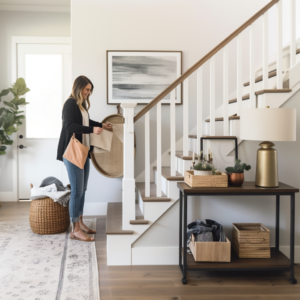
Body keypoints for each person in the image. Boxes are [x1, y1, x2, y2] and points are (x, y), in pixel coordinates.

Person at [57, 75, 112, 242]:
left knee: (83, 190)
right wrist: (91, 130)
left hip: (83, 151)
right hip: (73, 152)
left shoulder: (80, 105)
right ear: (79, 87)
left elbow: (85, 122)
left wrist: (101, 125)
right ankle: (75, 229)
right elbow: (70, 126)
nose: (89, 93)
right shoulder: (70, 103)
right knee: (76, 191)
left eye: (90, 90)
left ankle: (79, 222)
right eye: (87, 89)